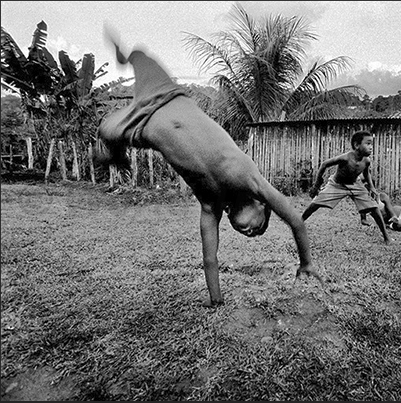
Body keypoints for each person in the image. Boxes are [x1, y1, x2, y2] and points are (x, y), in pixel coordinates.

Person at [95, 28, 322, 307]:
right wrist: (306, 262)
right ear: (262, 206)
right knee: (140, 55)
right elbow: (295, 220)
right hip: (168, 95)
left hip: (140, 127)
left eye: (249, 234)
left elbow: (210, 258)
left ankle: (115, 155)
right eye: (258, 227)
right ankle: (123, 56)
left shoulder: (210, 206)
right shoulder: (248, 177)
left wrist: (216, 301)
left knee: (105, 136)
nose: (250, 233)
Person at [301, 130, 391, 244]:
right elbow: (324, 164)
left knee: (374, 208)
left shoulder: (366, 161)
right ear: (356, 145)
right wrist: (317, 184)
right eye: (368, 144)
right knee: (315, 204)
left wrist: (372, 187)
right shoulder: (345, 158)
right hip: (337, 185)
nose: (371, 147)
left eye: (371, 144)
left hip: (355, 184)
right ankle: (299, 222)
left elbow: (366, 173)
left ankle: (386, 237)